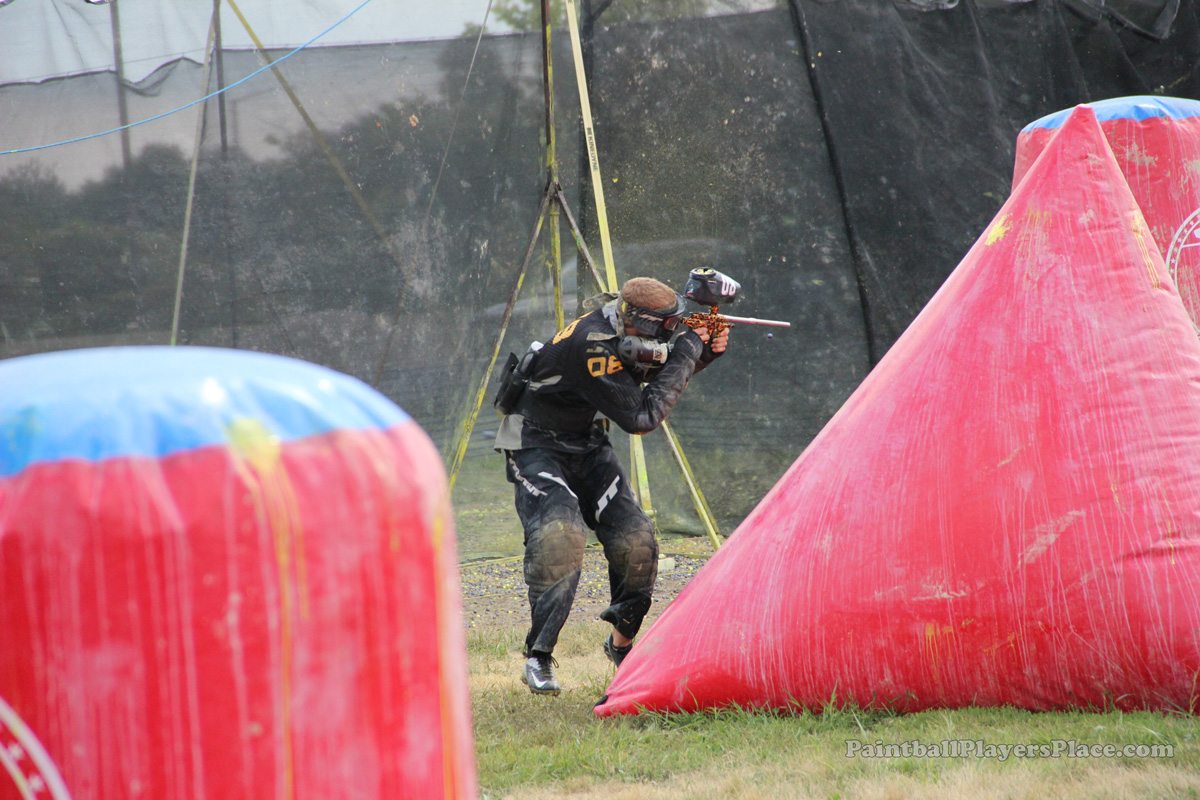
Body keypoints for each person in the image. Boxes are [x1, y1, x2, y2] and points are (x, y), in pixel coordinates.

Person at [493, 276, 730, 696]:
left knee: (637, 538)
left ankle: (621, 646)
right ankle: (538, 656)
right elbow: (641, 417)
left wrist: (702, 352)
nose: (673, 331)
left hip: (586, 442)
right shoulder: (592, 343)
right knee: (560, 535)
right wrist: (688, 348)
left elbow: (655, 376)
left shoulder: (625, 328)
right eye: (667, 325)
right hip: (533, 442)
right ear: (642, 320)